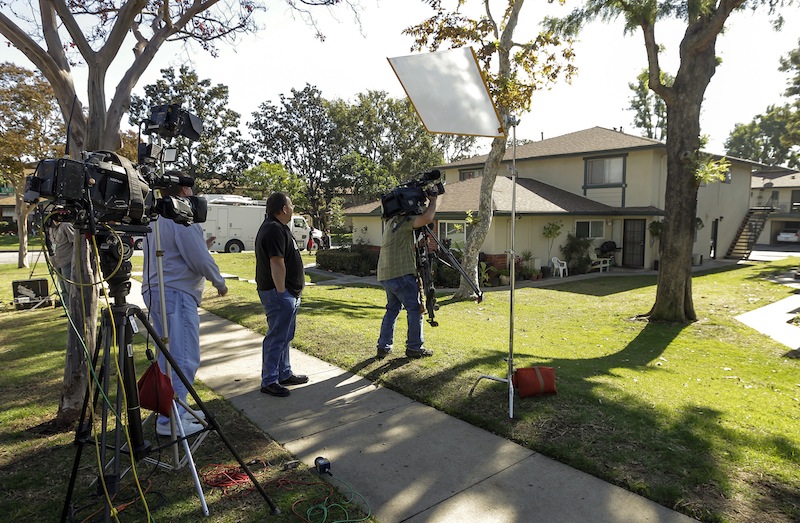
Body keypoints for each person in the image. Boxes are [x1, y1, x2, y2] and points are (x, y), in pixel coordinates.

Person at [142, 179, 228, 437]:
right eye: (190, 189)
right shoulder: (181, 216)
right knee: (183, 357)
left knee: (169, 357)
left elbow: (179, 252)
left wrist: (202, 247)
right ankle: (172, 420)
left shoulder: (155, 216)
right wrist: (219, 282)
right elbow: (198, 258)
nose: (193, 194)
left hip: (160, 291)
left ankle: (176, 408)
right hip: (175, 294)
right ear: (183, 191)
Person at [255, 192, 307, 397]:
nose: (293, 207)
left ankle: (284, 373)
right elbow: (276, 262)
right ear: (283, 209)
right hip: (278, 293)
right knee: (277, 337)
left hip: (287, 293)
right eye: (291, 204)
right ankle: (269, 380)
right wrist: (282, 292)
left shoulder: (279, 227)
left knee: (285, 335)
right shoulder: (273, 229)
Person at [376, 191, 438, 359]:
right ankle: (414, 348)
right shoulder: (405, 222)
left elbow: (406, 244)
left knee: (392, 309)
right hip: (401, 274)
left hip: (386, 275)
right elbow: (427, 218)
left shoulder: (391, 223)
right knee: (415, 309)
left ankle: (383, 346)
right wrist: (433, 201)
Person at [49, 213, 75, 312]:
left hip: (67, 261)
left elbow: (75, 242)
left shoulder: (66, 226)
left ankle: (74, 311)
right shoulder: (51, 228)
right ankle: (68, 311)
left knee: (69, 288)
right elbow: (51, 244)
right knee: (63, 290)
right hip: (57, 262)